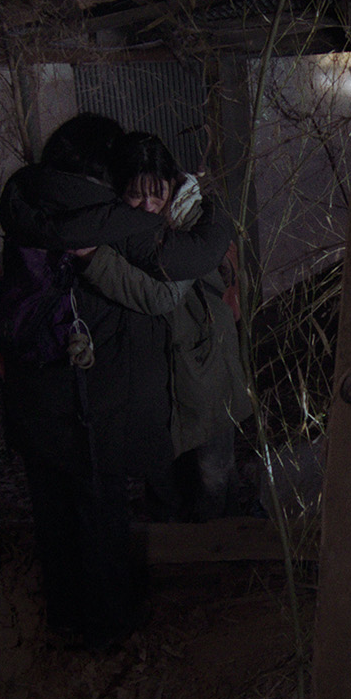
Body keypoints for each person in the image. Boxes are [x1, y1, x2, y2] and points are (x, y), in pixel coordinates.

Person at [0, 115, 233, 648]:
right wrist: (211, 209)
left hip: (32, 398)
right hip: (87, 403)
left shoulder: (29, 205)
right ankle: (109, 624)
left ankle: (64, 615)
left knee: (52, 513)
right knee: (99, 511)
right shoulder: (107, 220)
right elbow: (180, 269)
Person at [79, 132, 253, 522]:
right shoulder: (119, 226)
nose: (148, 205)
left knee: (213, 471)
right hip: (154, 368)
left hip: (206, 361)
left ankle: (220, 539)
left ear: (172, 185)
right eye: (135, 195)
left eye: (157, 193)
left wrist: (93, 260)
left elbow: (160, 294)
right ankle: (174, 543)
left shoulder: (192, 221)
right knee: (163, 475)